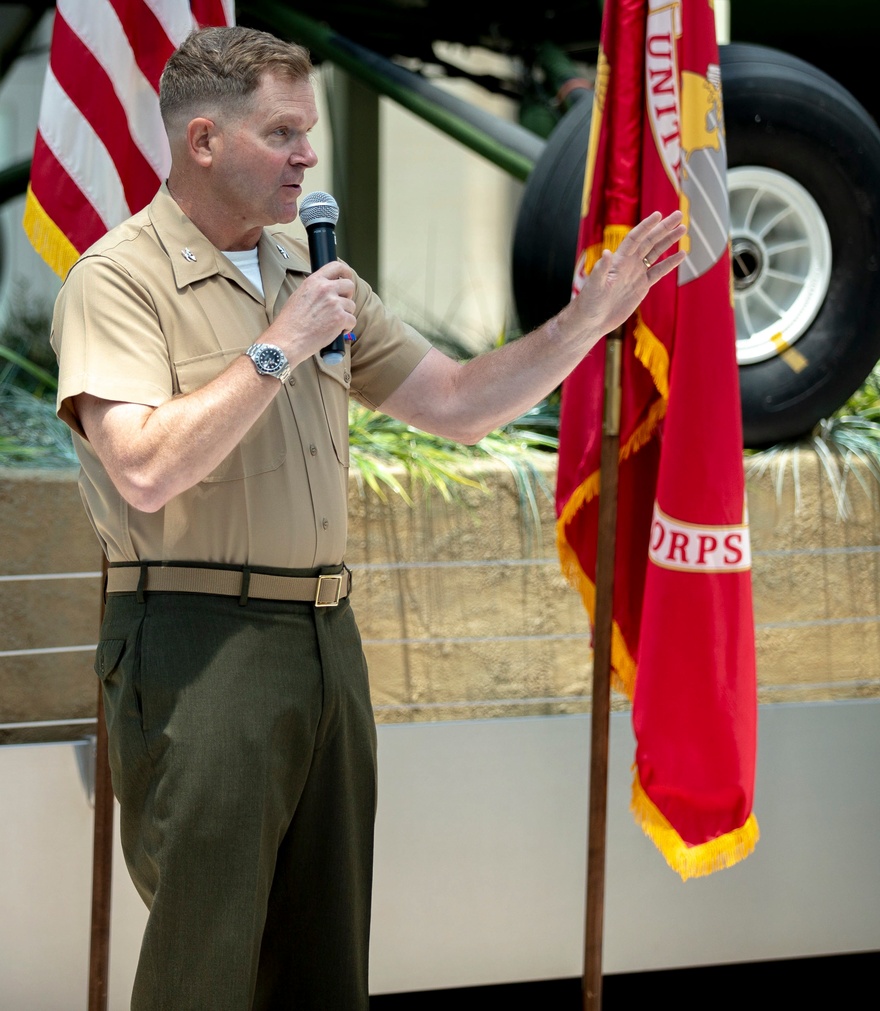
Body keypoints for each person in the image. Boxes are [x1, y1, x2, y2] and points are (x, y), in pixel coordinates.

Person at [50, 25, 685, 1011]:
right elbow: (140, 469)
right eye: (283, 132)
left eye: (309, 132)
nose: (308, 154)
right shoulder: (118, 279)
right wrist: (278, 348)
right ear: (204, 141)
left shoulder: (311, 274)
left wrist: (585, 325)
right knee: (205, 964)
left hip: (324, 638)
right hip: (194, 639)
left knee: (323, 960)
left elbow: (458, 403)